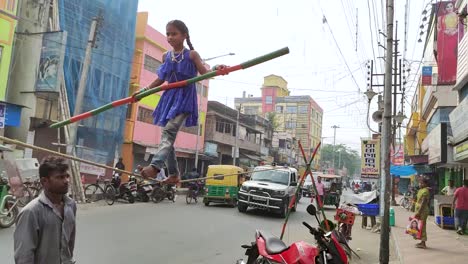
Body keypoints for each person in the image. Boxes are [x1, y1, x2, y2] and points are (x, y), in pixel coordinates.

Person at [137, 20, 226, 184]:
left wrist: (217, 68)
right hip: (169, 98)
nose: (170, 37)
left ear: (184, 36)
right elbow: (161, 78)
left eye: (174, 34)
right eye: (168, 34)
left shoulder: (191, 55)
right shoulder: (166, 56)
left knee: (168, 132)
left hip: (185, 97)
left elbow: (204, 73)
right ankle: (174, 174)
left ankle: (156, 166)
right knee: (168, 138)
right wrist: (143, 91)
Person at [14, 156, 77, 264]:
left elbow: (69, 244)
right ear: (44, 181)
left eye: (67, 176)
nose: (66, 181)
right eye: (60, 177)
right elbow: (23, 256)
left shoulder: (71, 205)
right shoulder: (31, 212)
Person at [414, 177, 430, 249]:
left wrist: (419, 212)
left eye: (421, 183)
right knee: (419, 226)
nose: (420, 184)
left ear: (425, 184)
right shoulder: (421, 190)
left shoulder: (425, 191)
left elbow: (423, 203)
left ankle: (423, 243)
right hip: (419, 210)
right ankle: (421, 241)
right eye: (419, 182)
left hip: (422, 211)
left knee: (422, 226)